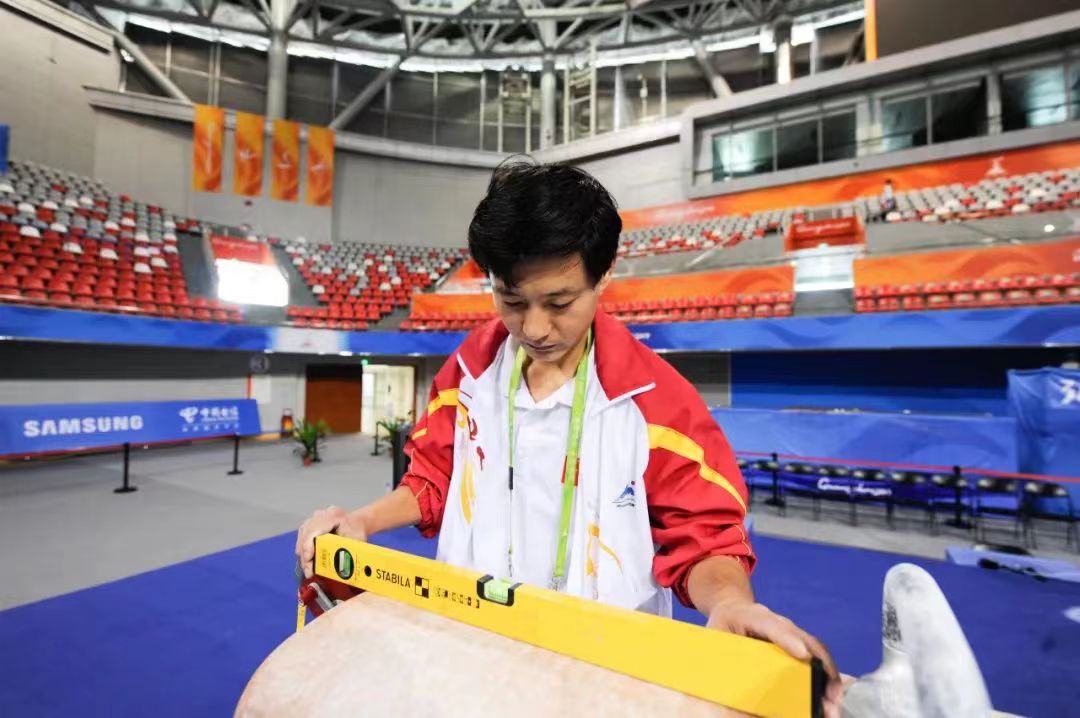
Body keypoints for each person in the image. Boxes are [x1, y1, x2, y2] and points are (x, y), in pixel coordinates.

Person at [296, 158, 842, 713]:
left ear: (604, 275)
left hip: (606, 672)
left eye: (559, 303)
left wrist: (729, 601)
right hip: (468, 649)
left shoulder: (659, 404)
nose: (534, 329)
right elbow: (434, 478)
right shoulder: (466, 375)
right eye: (511, 301)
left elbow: (705, 538)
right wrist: (363, 520)